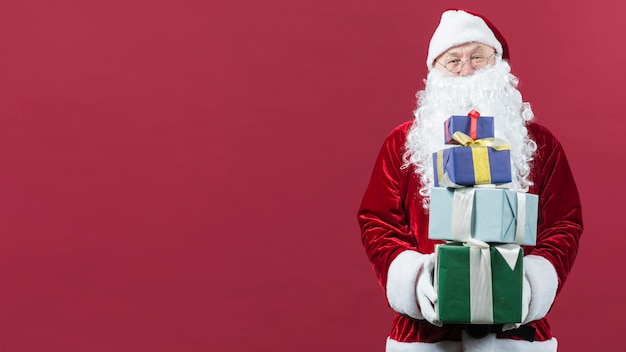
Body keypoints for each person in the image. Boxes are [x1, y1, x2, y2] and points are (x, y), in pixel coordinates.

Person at [357, 8, 583, 352]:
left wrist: (527, 288)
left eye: (478, 57)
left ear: (499, 64)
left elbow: (563, 223)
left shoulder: (541, 143)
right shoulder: (402, 143)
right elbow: (378, 222)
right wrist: (418, 281)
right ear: (435, 71)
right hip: (426, 336)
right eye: (453, 60)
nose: (466, 70)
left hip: (516, 335)